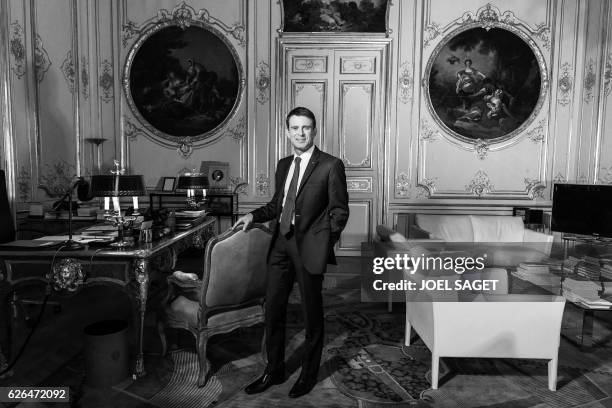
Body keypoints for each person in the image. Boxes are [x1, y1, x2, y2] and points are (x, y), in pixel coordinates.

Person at [233, 106, 349, 398]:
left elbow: (339, 211)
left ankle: (308, 375)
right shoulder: (284, 164)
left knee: (312, 315)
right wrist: (253, 216)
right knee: (273, 309)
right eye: (295, 128)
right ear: (287, 132)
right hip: (280, 245)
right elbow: (276, 205)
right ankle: (274, 370)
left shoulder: (330, 165)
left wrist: (323, 241)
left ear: (314, 130)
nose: (300, 133)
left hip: (309, 246)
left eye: (306, 127)